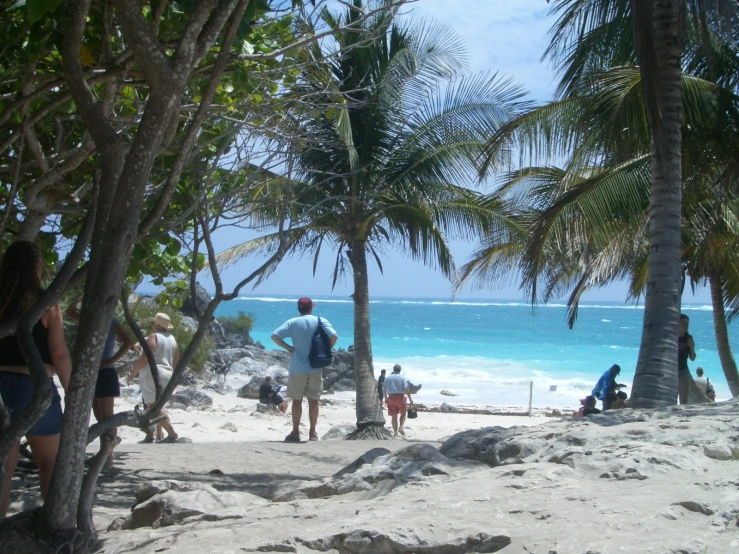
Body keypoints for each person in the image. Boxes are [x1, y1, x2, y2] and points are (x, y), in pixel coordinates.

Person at [0, 241, 71, 517]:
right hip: (33, 388)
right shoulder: (46, 304)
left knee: (5, 465)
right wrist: (73, 391)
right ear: (36, 267)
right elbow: (59, 353)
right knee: (49, 462)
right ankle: (55, 525)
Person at [66, 297, 134, 461]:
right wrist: (81, 298)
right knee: (98, 415)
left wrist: (110, 360)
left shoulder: (112, 321)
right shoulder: (87, 319)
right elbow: (69, 312)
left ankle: (108, 454)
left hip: (105, 372)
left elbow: (128, 342)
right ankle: (105, 452)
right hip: (91, 373)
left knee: (107, 416)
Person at [271, 297, 338, 442]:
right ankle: (313, 433)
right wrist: (326, 350)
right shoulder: (320, 320)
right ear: (311, 308)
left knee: (297, 401)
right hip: (315, 366)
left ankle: (295, 432)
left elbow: (274, 336)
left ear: (298, 308)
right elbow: (334, 336)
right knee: (314, 401)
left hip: (297, 367)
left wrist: (288, 347)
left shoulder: (292, 322)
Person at [128, 313, 179, 443]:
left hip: (153, 373)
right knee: (159, 405)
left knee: (153, 406)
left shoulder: (154, 336)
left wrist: (133, 372)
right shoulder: (172, 339)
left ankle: (172, 433)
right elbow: (176, 360)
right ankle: (157, 434)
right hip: (168, 373)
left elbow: (145, 357)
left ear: (155, 324)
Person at [383, 364, 414, 437]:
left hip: (391, 397)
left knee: (394, 416)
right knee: (403, 414)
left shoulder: (387, 378)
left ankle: (395, 433)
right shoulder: (402, 378)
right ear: (400, 370)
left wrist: (385, 397)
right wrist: (410, 399)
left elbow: (383, 389)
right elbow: (406, 389)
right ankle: (401, 427)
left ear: (393, 369)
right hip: (400, 397)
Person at [678, 314, 696, 405]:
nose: (686, 326)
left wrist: (692, 347)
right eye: (683, 323)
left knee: (683, 401)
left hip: (683, 370)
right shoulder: (671, 338)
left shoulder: (688, 338)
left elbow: (692, 358)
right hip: (670, 370)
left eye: (687, 324)